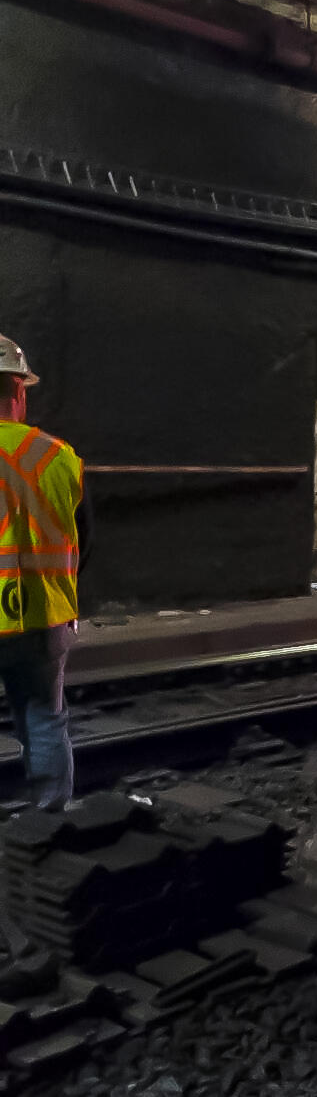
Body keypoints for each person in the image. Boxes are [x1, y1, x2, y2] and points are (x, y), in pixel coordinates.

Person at [0, 335, 87, 812]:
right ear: (20, 391)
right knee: (44, 718)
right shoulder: (59, 456)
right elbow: (83, 541)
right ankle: (50, 818)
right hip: (44, 616)